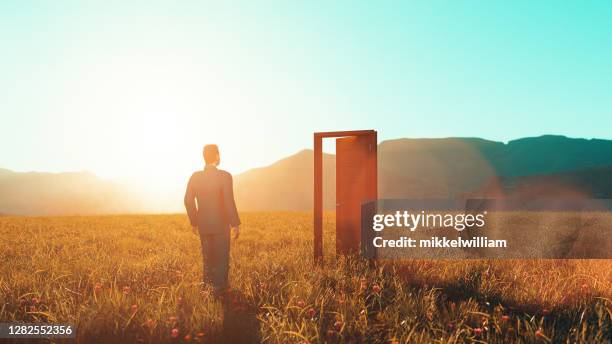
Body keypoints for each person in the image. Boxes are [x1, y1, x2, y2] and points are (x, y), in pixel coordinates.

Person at [184, 144, 240, 295]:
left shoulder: (195, 177)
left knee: (208, 257)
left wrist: (194, 222)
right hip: (221, 225)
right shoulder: (225, 176)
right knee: (221, 257)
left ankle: (207, 287)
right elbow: (229, 201)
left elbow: (188, 200)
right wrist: (235, 223)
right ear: (216, 156)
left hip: (203, 225)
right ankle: (219, 290)